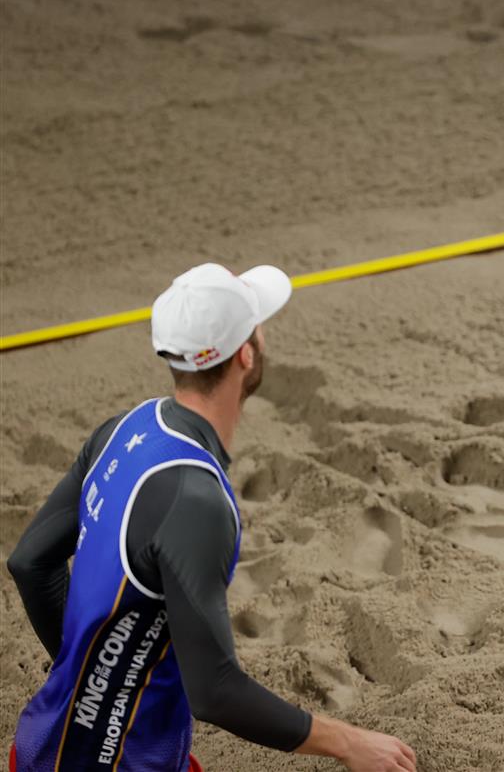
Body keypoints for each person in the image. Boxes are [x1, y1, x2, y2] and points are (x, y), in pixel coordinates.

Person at [7, 264, 416, 772]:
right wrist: (350, 743)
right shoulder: (195, 500)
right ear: (246, 354)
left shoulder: (124, 428)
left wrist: (87, 676)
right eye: (258, 325)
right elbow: (215, 691)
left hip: (40, 740)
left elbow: (30, 563)